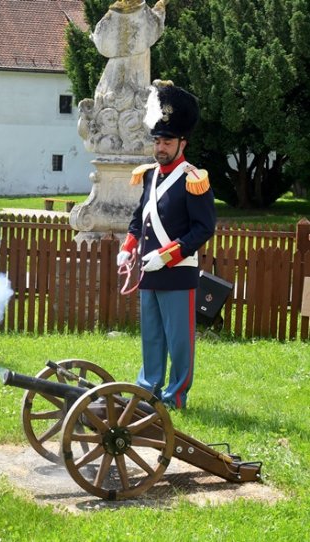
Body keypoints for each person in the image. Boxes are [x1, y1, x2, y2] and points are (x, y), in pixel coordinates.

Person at [117, 81, 216, 410]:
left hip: (177, 273)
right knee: (152, 338)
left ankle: (175, 396)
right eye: (157, 140)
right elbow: (139, 216)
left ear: (182, 142)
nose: (160, 147)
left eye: (167, 141)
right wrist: (128, 246)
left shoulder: (194, 178)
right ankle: (148, 389)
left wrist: (169, 255)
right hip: (149, 272)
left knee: (179, 341)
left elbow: (204, 228)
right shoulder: (149, 175)